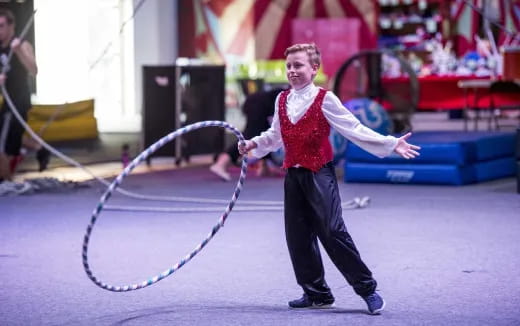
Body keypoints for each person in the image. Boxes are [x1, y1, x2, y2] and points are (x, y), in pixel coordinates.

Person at [238, 43, 420, 314]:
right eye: (289, 66)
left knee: (332, 231)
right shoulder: (282, 100)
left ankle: (367, 288)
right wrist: (253, 144)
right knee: (297, 236)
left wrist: (390, 143)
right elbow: (275, 136)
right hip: (294, 175)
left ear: (314, 69)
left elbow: (353, 128)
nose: (292, 71)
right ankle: (317, 293)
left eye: (298, 65)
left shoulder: (325, 99)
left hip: (319, 173)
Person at [210, 87, 284, 181]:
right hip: (257, 104)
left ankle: (264, 167)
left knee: (264, 133)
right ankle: (221, 163)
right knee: (251, 134)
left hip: (257, 103)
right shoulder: (295, 95)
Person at [0, 8, 38, 181]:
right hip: (6, 103)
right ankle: (39, 148)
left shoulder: (22, 45)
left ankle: (6, 181)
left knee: (5, 144)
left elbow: (34, 70)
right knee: (9, 139)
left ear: (11, 26)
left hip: (19, 101)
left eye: (1, 26)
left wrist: (19, 52)